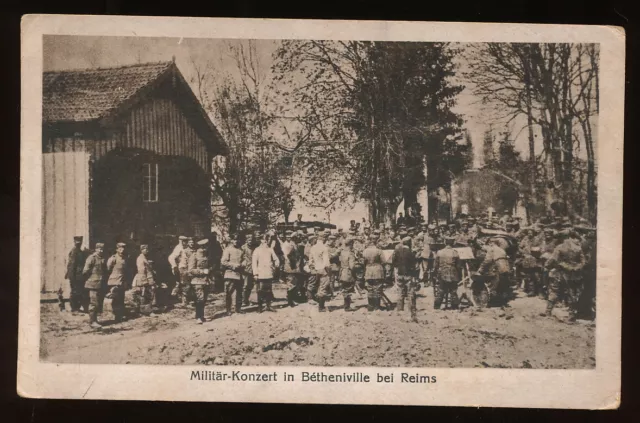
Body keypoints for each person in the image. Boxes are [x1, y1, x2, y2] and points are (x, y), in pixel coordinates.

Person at [544, 229, 586, 320]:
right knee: (571, 293)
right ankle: (571, 315)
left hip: (560, 273)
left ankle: (548, 311)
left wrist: (546, 266)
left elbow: (553, 259)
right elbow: (583, 262)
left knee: (554, 290)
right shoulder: (578, 248)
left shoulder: (560, 247)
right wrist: (575, 268)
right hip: (573, 274)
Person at [476, 238, 511, 308]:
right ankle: (503, 302)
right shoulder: (501, 249)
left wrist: (480, 269)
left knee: (494, 284)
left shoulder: (491, 249)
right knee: (503, 284)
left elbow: (487, 260)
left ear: (491, 243)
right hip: (506, 267)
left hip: (498, 266)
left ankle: (492, 302)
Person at [392, 236, 419, 321]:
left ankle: (399, 309)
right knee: (410, 293)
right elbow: (414, 265)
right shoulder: (410, 253)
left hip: (400, 274)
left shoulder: (397, 251)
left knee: (400, 292)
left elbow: (394, 262)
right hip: (408, 275)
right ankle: (411, 310)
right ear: (409, 243)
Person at [252, 233, 281, 312]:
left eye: (267, 240)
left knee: (268, 290)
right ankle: (260, 307)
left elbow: (276, 258)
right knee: (260, 290)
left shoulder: (270, 249)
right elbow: (254, 263)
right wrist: (255, 274)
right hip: (260, 274)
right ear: (261, 241)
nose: (266, 242)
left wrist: (276, 264)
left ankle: (268, 306)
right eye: (264, 240)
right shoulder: (257, 250)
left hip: (269, 273)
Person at [82, 242, 108, 329]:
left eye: (102, 249)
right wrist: (90, 279)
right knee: (93, 303)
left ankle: (95, 320)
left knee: (98, 303)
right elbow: (85, 271)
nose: (101, 251)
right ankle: (92, 321)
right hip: (93, 284)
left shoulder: (102, 258)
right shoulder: (91, 258)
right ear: (96, 249)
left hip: (100, 284)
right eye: (99, 249)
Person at [220, 234, 246, 315]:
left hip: (239, 273)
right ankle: (228, 309)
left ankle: (238, 308)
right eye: (234, 240)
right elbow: (223, 261)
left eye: (237, 240)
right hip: (230, 273)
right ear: (231, 240)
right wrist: (233, 265)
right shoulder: (228, 250)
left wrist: (243, 264)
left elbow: (244, 259)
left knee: (239, 291)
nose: (235, 241)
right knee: (229, 292)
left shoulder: (241, 250)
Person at [188, 239, 212, 324]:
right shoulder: (194, 256)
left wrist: (209, 270)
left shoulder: (207, 255)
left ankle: (201, 316)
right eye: (204, 247)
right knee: (200, 299)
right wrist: (202, 272)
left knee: (204, 299)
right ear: (200, 247)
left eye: (206, 246)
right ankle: (198, 317)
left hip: (206, 280)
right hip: (197, 281)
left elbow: (209, 267)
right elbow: (190, 270)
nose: (205, 248)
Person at [63, 235, 88, 314]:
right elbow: (71, 265)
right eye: (77, 242)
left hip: (80, 276)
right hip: (75, 276)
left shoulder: (80, 251)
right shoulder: (74, 251)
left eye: (80, 242)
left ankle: (77, 307)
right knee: (74, 292)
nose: (78, 243)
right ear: (74, 242)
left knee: (79, 291)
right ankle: (74, 308)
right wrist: (71, 277)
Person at [434, 236, 461, 310]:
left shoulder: (440, 252)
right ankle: (454, 306)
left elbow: (435, 265)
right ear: (453, 243)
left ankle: (437, 306)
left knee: (441, 290)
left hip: (442, 273)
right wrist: (459, 275)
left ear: (445, 242)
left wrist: (435, 274)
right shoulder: (455, 253)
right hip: (453, 273)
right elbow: (458, 266)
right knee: (453, 290)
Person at [132, 244, 158, 317]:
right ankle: (146, 311)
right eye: (145, 249)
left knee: (148, 295)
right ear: (141, 250)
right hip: (144, 279)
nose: (147, 250)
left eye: (147, 249)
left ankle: (144, 310)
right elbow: (142, 271)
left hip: (148, 278)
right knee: (144, 295)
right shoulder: (140, 258)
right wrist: (144, 282)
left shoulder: (145, 258)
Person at [308, 232, 332, 312]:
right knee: (323, 287)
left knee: (317, 286)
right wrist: (328, 272)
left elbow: (310, 261)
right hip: (323, 269)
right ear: (324, 238)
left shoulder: (313, 247)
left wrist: (313, 268)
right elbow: (326, 262)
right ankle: (321, 307)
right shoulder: (324, 248)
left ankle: (317, 302)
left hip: (316, 269)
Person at [363, 232, 385, 311]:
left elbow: (363, 262)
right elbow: (383, 261)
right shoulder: (379, 250)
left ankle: (370, 306)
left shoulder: (365, 251)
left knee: (370, 288)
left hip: (368, 269)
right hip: (377, 270)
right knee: (377, 288)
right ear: (376, 241)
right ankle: (377, 306)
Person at [106, 242, 128, 322]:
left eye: (123, 248)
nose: (122, 250)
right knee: (115, 299)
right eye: (120, 248)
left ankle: (120, 315)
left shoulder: (124, 258)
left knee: (121, 299)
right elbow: (108, 269)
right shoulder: (113, 258)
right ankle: (116, 316)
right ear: (117, 249)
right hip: (114, 282)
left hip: (121, 281)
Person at [281, 231, 302, 307]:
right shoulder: (285, 245)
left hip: (294, 266)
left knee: (294, 282)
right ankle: (290, 301)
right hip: (290, 266)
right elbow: (287, 256)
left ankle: (292, 299)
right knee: (291, 283)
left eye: (290, 237)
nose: (289, 238)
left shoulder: (293, 244)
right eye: (288, 236)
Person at [338, 237, 358, 311]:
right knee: (348, 289)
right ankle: (347, 306)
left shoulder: (342, 252)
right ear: (351, 244)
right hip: (348, 273)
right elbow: (352, 266)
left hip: (342, 272)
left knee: (344, 289)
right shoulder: (351, 253)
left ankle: (345, 305)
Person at [176, 238, 195, 306]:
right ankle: (184, 301)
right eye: (190, 242)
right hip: (185, 269)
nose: (192, 243)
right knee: (185, 285)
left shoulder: (194, 251)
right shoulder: (185, 251)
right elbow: (184, 262)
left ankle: (190, 300)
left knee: (191, 285)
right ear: (187, 243)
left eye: (192, 242)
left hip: (191, 270)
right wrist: (186, 271)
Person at [241, 232, 258, 306]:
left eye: (251, 240)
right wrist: (243, 261)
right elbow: (240, 258)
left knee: (250, 286)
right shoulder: (243, 248)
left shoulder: (255, 248)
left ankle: (246, 300)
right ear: (246, 240)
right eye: (249, 240)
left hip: (253, 269)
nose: (250, 241)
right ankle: (243, 301)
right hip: (246, 269)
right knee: (245, 286)